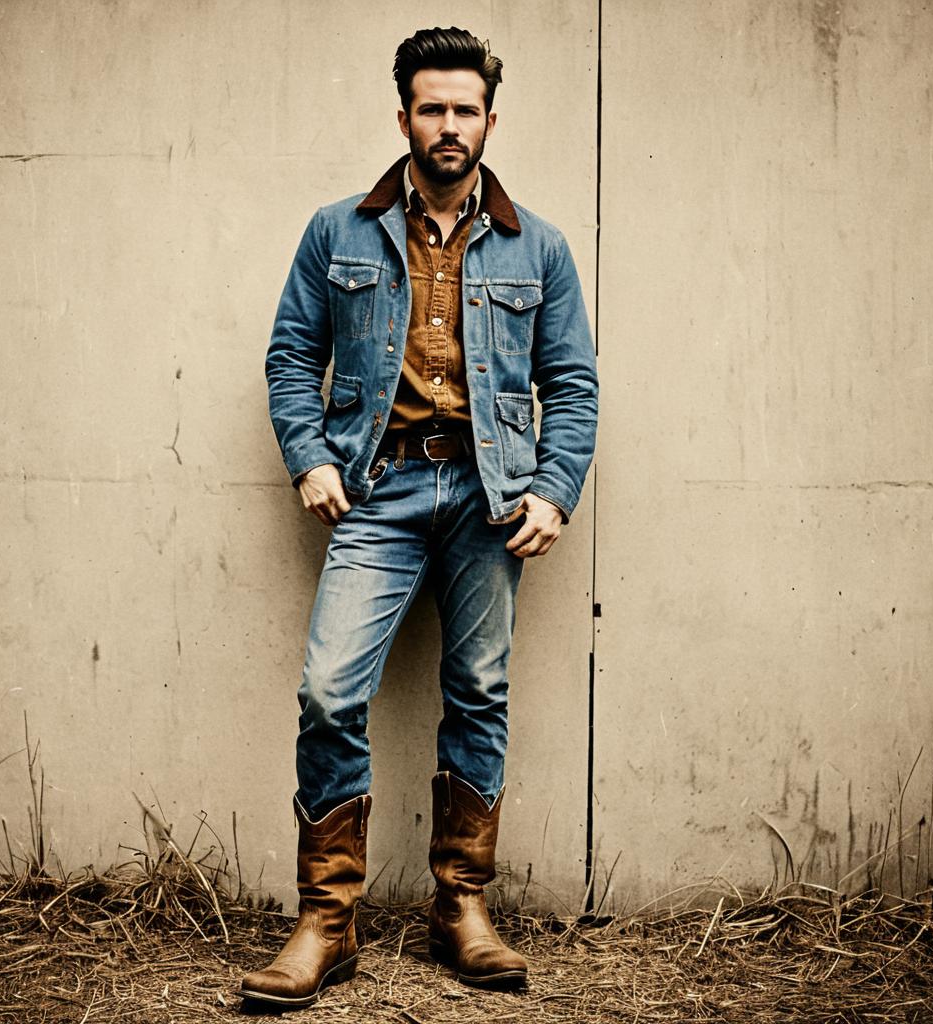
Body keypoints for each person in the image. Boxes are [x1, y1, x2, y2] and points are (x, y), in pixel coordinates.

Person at [240, 26, 598, 1009]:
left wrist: (554, 485)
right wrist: (310, 458)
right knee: (328, 691)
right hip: (379, 490)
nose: (449, 126)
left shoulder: (542, 247)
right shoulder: (337, 232)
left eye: (465, 109)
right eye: (431, 108)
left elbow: (569, 383)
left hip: (491, 497)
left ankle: (460, 907)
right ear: (402, 116)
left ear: (489, 119)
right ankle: (327, 921)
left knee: (477, 692)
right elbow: (287, 359)